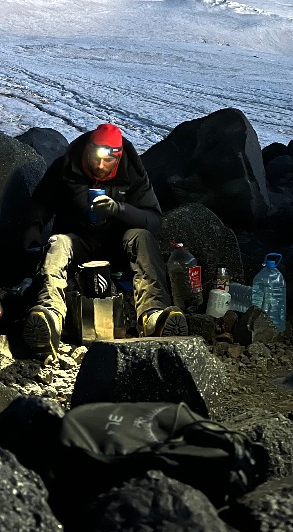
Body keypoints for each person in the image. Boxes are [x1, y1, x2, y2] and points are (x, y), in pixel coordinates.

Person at [20, 123, 188, 357]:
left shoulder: (133, 172)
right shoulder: (66, 167)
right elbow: (40, 204)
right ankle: (50, 316)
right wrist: (33, 232)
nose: (100, 166)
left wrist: (119, 209)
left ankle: (153, 315)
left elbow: (154, 218)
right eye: (95, 158)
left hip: (117, 245)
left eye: (107, 160)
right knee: (57, 243)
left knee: (141, 237)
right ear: (87, 149)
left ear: (118, 158)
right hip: (78, 241)